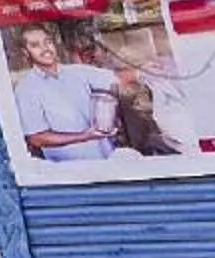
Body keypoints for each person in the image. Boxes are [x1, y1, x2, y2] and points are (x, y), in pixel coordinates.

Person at [12, 24, 135, 162]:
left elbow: (118, 79)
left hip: (107, 161)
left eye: (48, 42)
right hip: (71, 172)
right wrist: (85, 136)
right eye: (35, 45)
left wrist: (145, 72)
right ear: (25, 52)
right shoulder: (26, 89)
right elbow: (37, 139)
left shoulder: (78, 72)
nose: (45, 49)